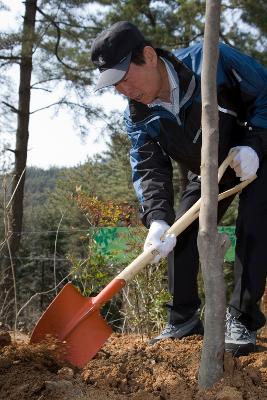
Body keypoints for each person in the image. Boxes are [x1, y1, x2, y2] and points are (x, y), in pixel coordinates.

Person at [91, 21, 267, 356]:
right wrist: (157, 217)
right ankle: (183, 320)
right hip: (207, 168)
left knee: (255, 224)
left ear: (148, 56)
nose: (123, 90)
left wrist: (255, 145)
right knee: (180, 231)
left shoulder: (212, 61)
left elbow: (266, 94)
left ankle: (242, 320)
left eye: (125, 77)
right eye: (114, 85)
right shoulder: (138, 115)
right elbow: (147, 166)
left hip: (256, 153)